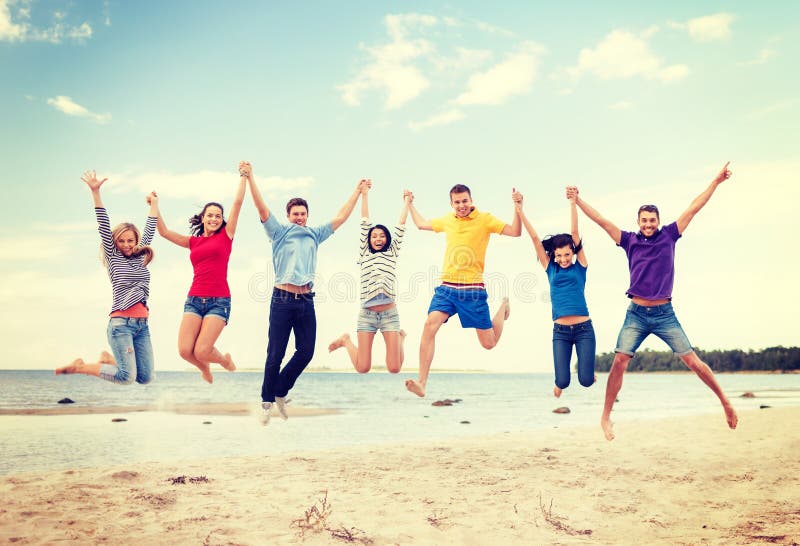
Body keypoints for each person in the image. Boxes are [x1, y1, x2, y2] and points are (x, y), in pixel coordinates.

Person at [571, 162, 738, 440]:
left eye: (652, 220)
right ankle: (605, 417)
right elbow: (601, 221)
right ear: (638, 222)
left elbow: (694, 208)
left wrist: (716, 181)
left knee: (693, 362)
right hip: (636, 314)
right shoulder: (628, 241)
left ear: (658, 222)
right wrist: (577, 201)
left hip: (664, 314)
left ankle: (725, 403)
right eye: (644, 220)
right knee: (619, 361)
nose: (648, 224)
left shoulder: (670, 236)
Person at [241, 161, 364, 425]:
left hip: (306, 300)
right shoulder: (279, 232)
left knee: (306, 351)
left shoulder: (314, 234)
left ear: (307, 215)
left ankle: (280, 391)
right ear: (288, 216)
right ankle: (266, 402)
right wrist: (250, 177)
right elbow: (261, 208)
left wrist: (356, 191)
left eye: (303, 213)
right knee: (275, 353)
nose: (299, 217)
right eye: (295, 213)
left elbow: (341, 218)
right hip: (282, 299)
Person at [404, 184, 522, 397]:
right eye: (457, 202)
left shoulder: (485, 219)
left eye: (464, 201)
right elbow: (421, 224)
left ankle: (503, 306)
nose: (461, 205)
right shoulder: (448, 220)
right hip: (447, 288)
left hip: (473, 291)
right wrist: (410, 204)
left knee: (489, 343)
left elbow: (515, 232)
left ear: (471, 200)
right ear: (451, 204)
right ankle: (422, 382)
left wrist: (518, 207)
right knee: (429, 325)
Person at [56, 171, 158, 385]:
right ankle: (81, 367)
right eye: (121, 241)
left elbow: (150, 227)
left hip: (142, 325)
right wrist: (95, 191)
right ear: (115, 243)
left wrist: (154, 204)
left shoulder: (141, 256)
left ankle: (108, 360)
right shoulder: (113, 256)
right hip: (121, 324)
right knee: (126, 378)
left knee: (145, 378)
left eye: (131, 240)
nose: (127, 244)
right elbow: (103, 223)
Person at [152, 165, 246, 383]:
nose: (214, 219)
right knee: (185, 351)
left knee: (202, 350)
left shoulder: (226, 235)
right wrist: (154, 206)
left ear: (222, 219)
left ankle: (224, 361)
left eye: (218, 216)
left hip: (219, 301)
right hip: (194, 300)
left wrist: (244, 176)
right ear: (203, 218)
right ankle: (204, 368)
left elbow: (238, 203)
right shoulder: (193, 242)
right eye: (210, 215)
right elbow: (164, 232)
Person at [516, 187, 596, 398]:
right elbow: (534, 238)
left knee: (586, 381)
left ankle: (590, 373)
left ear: (573, 252)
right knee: (562, 381)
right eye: (559, 255)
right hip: (560, 332)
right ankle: (560, 383)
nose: (563, 258)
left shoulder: (581, 266)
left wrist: (573, 203)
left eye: (567, 254)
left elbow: (575, 233)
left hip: (584, 329)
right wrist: (520, 210)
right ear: (554, 255)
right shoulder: (550, 267)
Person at [328, 183, 409, 373]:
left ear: (387, 239)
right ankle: (346, 341)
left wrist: (406, 202)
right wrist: (364, 194)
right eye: (374, 236)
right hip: (367, 315)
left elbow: (401, 226)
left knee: (395, 368)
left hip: (390, 314)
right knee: (363, 368)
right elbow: (365, 220)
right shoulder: (365, 253)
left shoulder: (392, 252)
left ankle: (401, 338)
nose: (378, 238)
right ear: (369, 240)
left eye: (382, 236)